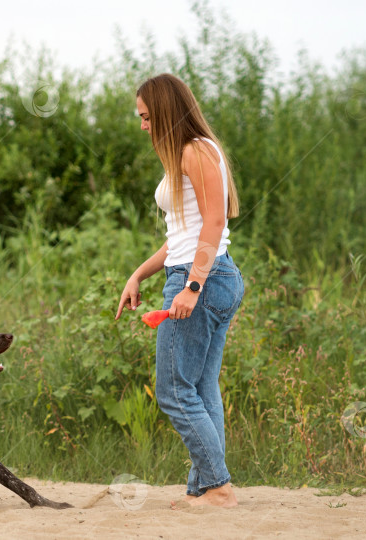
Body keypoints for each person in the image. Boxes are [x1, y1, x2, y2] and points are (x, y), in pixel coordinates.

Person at [115, 73, 244, 508]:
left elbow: (214, 222)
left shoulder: (195, 151)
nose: (143, 126)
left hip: (202, 278)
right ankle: (208, 488)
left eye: (148, 116)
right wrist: (139, 274)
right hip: (205, 272)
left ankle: (219, 487)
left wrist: (191, 287)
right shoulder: (189, 154)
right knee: (201, 388)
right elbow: (182, 235)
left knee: (172, 389)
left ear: (168, 111)